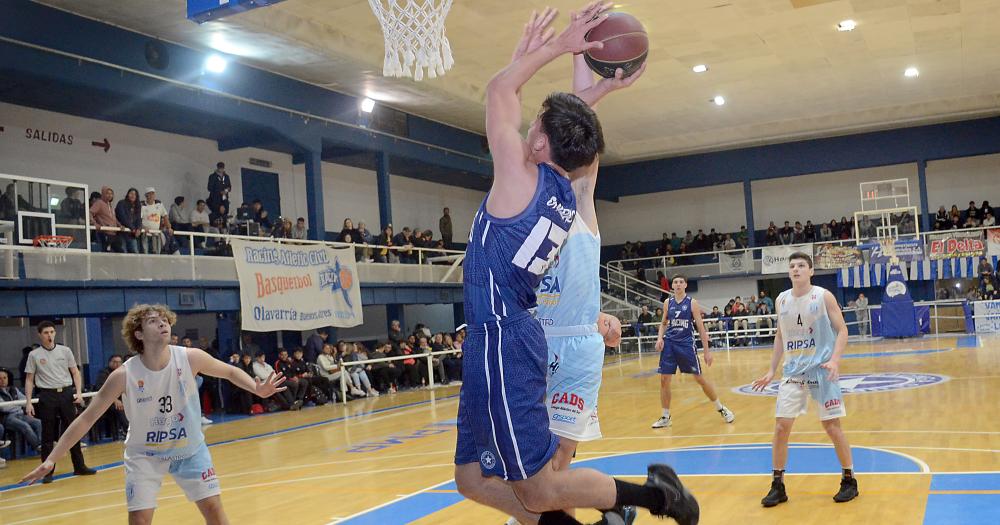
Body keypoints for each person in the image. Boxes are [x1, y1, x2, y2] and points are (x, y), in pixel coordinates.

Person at [453, 5, 697, 525]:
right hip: (502, 335)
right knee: (472, 477)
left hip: (504, 338)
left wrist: (556, 47)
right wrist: (601, 85)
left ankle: (656, 497)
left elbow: (500, 92)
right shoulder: (558, 184)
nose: (528, 128)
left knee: (540, 487)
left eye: (534, 125)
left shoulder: (518, 179)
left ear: (538, 141)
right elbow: (564, 128)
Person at [20, 304, 286, 523]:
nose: (162, 324)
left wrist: (256, 387)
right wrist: (52, 459)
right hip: (145, 455)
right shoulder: (124, 374)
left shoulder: (190, 357)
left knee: (215, 512)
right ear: (138, 334)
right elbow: (87, 418)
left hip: (190, 450)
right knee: (139, 520)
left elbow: (229, 370)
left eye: (164, 320)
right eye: (152, 321)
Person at [751, 252, 858, 507]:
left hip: (821, 370)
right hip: (793, 372)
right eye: (792, 266)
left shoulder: (822, 296)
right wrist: (771, 370)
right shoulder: (781, 300)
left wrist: (834, 360)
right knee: (780, 428)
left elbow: (842, 330)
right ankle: (778, 485)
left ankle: (849, 479)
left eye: (801, 265)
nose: (796, 269)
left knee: (832, 427)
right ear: (788, 272)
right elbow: (780, 336)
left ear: (811, 271)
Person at [652, 275, 735, 429]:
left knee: (699, 379)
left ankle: (721, 408)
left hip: (686, 345)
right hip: (669, 343)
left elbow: (701, 328)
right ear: (672, 286)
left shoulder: (692, 303)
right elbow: (663, 323)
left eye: (680, 282)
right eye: (675, 282)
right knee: (664, 380)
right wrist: (659, 338)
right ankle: (665, 416)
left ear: (685, 285)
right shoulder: (667, 303)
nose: (678, 284)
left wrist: (707, 351)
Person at [24, 321, 95, 483]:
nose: (49, 335)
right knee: (48, 435)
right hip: (47, 395)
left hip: (66, 394)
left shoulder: (65, 351)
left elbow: (75, 372)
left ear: (55, 333)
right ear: (40, 335)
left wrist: (78, 392)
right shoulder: (34, 355)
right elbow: (29, 379)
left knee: (73, 431)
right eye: (46, 333)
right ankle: (47, 472)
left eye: (52, 332)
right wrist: (28, 402)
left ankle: (80, 467)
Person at [0, 368, 43, 452]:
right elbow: (4, 407)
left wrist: (16, 404)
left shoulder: (14, 389)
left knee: (38, 422)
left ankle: (41, 444)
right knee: (25, 426)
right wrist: (17, 404)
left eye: (5, 378)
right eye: (0, 378)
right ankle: (38, 446)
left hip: (21, 414)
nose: (3, 380)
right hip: (7, 418)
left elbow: (24, 401)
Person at [94, 355, 129, 440]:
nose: (117, 364)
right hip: (106, 402)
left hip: (122, 400)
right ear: (109, 362)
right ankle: (127, 431)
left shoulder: (124, 373)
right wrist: (115, 400)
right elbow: (102, 389)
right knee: (119, 408)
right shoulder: (103, 373)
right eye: (115, 362)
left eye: (119, 362)